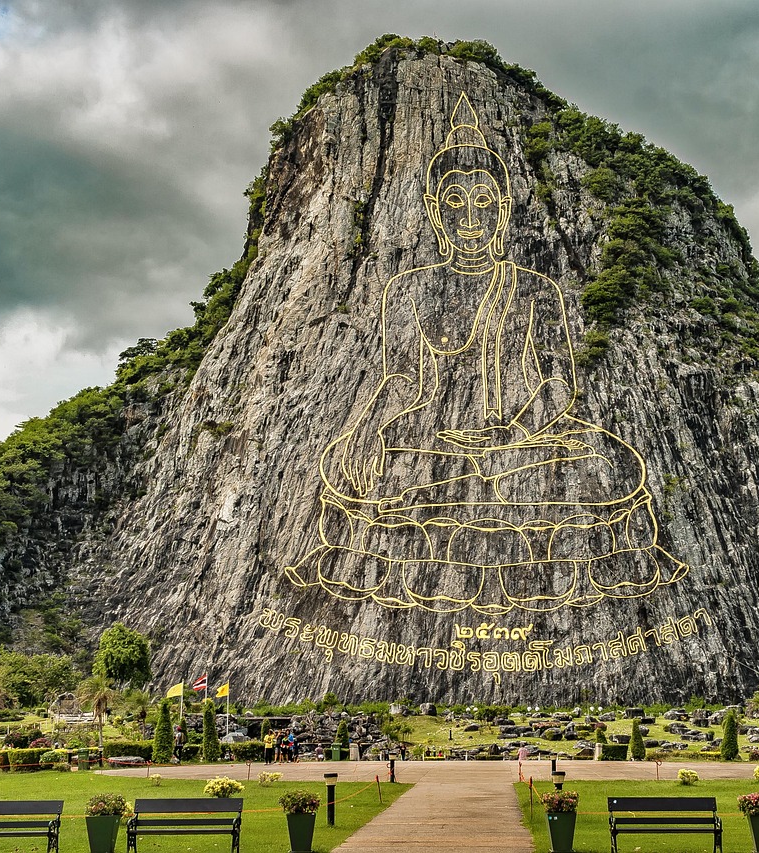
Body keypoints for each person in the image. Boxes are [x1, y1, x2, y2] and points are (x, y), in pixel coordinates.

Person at [286, 93, 686, 612]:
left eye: (483, 201)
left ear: (502, 210)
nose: (469, 217)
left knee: (612, 462)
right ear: (433, 210)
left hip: (522, 446)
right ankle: (472, 532)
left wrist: (515, 431)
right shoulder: (409, 287)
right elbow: (404, 379)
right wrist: (366, 429)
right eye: (454, 202)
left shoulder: (535, 288)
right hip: (435, 444)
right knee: (355, 465)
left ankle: (475, 529)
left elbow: (560, 384)